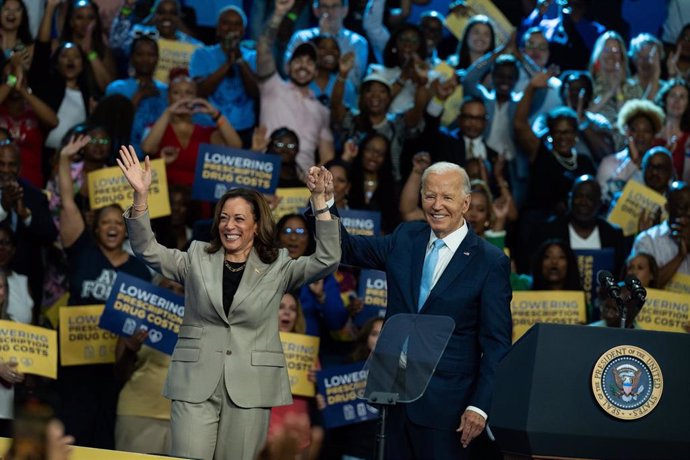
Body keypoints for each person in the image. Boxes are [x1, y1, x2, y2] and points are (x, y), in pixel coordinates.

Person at [118, 144, 341, 460]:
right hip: (195, 383)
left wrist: (320, 203)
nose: (229, 225)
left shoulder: (278, 265)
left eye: (239, 218)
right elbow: (147, 249)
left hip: (250, 387)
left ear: (255, 224)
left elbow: (328, 259)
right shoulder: (197, 257)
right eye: (224, 217)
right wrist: (141, 197)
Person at [314, 161, 512, 459]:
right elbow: (348, 247)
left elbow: (497, 344)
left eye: (447, 197)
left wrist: (479, 406)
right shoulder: (406, 237)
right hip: (392, 398)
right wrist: (324, 202)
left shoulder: (489, 262)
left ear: (465, 203)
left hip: (448, 409)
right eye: (429, 196)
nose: (436, 205)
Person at [256, 0, 335, 181]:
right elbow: (263, 47)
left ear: (316, 72)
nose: (303, 66)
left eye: (309, 63)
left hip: (301, 184)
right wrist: (278, 14)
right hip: (266, 175)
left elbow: (327, 156)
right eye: (298, 61)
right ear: (288, 67)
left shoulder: (322, 110)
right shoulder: (272, 86)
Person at [141, 68, 242, 187]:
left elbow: (236, 146)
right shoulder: (155, 128)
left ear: (195, 98)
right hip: (164, 196)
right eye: (176, 93)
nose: (183, 97)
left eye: (188, 93)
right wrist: (168, 113)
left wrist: (216, 114)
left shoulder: (206, 131)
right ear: (168, 98)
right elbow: (147, 148)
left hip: (197, 201)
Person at [190, 5, 259, 146]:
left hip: (243, 130)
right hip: (208, 128)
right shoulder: (202, 54)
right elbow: (200, 91)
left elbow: (256, 93)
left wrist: (240, 60)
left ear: (243, 31)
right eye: (226, 23)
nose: (231, 28)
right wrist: (228, 63)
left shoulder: (252, 57)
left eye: (237, 24)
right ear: (218, 29)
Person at [285, 0, 368, 86]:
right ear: (316, 10)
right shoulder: (301, 37)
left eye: (335, 6)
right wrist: (322, 37)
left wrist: (327, 37)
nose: (329, 11)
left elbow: (353, 81)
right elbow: (287, 70)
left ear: (345, 10)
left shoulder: (357, 42)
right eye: (324, 6)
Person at [631, 180, 690, 288]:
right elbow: (641, 286)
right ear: (668, 208)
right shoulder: (647, 240)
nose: (689, 213)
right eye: (683, 207)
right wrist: (680, 256)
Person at [656, 79, 690, 182]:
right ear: (665, 99)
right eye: (673, 96)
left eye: (682, 97)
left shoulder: (688, 139)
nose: (677, 101)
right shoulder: (650, 132)